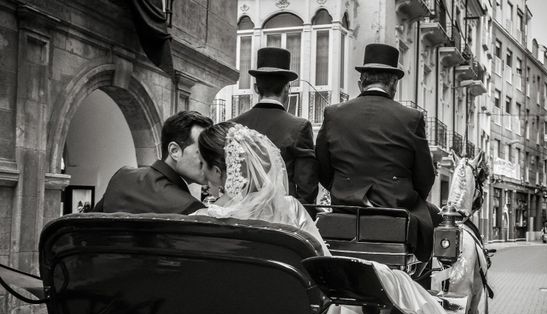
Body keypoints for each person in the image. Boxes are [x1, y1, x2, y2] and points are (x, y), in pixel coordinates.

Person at [194, 122, 461, 314]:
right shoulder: (288, 211)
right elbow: (321, 261)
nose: (201, 174)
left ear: (218, 172)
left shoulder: (198, 222)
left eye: (202, 165)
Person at [315, 43, 437, 262]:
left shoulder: (333, 113)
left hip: (345, 209)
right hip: (395, 211)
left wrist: (344, 187)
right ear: (393, 83)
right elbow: (425, 175)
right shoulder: (411, 117)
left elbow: (322, 168)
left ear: (362, 81)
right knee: (435, 220)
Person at [232, 47, 318, 206]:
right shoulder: (299, 127)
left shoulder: (233, 125)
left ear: (256, 88)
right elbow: (307, 186)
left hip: (241, 214)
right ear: (287, 88)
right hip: (281, 217)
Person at [93, 111, 213, 214]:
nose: (210, 158)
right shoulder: (190, 208)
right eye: (203, 151)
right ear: (174, 151)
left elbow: (87, 224)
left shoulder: (122, 176)